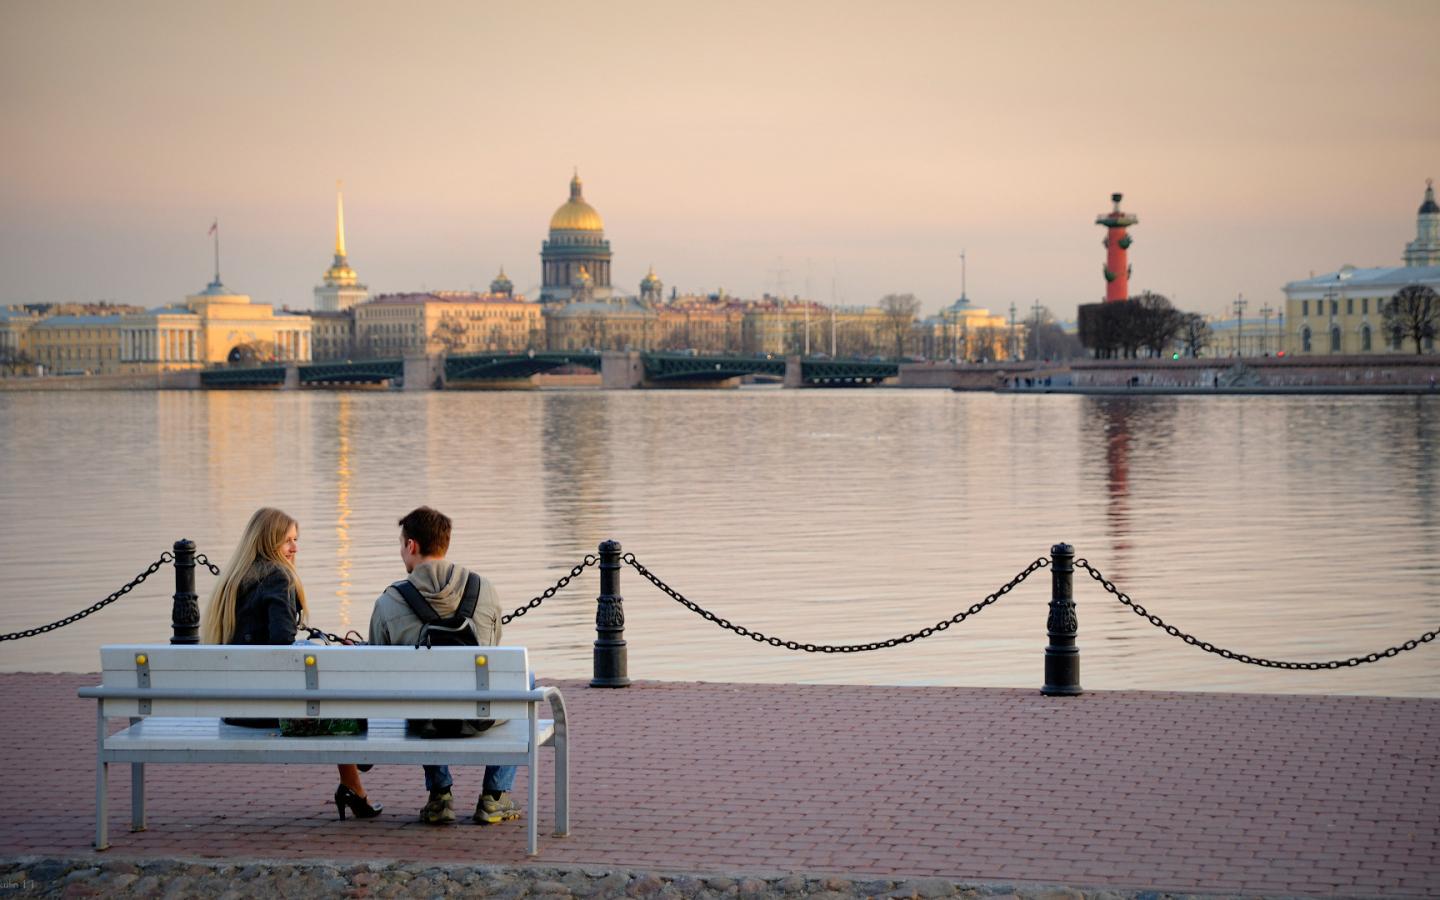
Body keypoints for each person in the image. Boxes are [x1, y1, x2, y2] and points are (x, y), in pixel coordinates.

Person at [201, 507, 382, 821]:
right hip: (268, 712)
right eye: (288, 541)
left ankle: (354, 787)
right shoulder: (278, 578)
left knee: (326, 680)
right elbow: (284, 648)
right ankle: (359, 746)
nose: (295, 548)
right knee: (339, 686)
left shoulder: (232, 581)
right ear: (269, 543)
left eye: (295, 540)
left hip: (235, 709)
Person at [368, 506, 521, 826]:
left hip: (425, 720)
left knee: (422, 693)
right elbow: (492, 649)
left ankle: (440, 795)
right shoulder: (485, 589)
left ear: (411, 546)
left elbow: (376, 669)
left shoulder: (388, 601)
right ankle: (494, 796)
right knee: (519, 688)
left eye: (401, 544)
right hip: (479, 715)